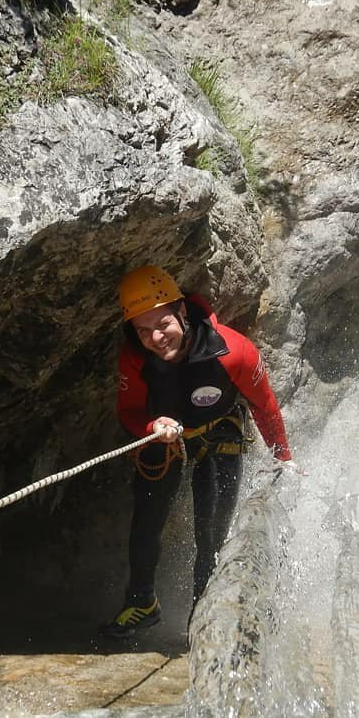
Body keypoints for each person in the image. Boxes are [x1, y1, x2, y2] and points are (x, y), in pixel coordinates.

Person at [101, 265, 292, 638]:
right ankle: (142, 602)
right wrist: (150, 428)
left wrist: (284, 459)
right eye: (143, 330)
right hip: (165, 437)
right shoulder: (135, 358)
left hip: (220, 432)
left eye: (162, 324)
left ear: (182, 312)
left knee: (211, 533)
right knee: (146, 521)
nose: (156, 338)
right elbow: (129, 410)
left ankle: (201, 620)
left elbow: (264, 405)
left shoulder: (233, 351)